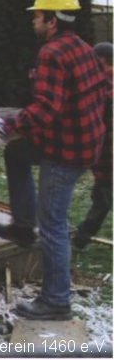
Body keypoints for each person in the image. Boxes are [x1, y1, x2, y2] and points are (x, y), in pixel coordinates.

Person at [0, 0, 107, 321]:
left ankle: (56, 301)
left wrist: (7, 125)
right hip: (83, 140)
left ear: (52, 20)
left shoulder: (52, 53)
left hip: (66, 150)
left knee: (53, 223)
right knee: (17, 154)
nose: (33, 20)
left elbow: (47, 108)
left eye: (37, 15)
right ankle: (23, 227)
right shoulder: (82, 47)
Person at [72, 42, 112, 250]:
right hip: (106, 155)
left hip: (107, 155)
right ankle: (81, 238)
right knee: (102, 198)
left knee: (104, 197)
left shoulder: (103, 87)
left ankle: (81, 238)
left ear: (101, 60)